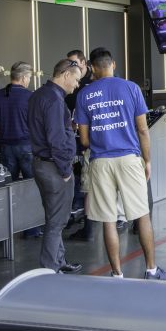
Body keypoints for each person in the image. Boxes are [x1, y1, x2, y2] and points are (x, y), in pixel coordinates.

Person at [75, 47, 166, 280]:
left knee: (109, 220)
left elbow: (85, 140)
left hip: (100, 162)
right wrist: (147, 161)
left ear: (92, 68)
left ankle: (117, 273)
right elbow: (142, 129)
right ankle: (151, 270)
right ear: (113, 64)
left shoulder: (84, 95)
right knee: (142, 215)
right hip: (129, 160)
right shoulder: (131, 88)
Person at [28, 59, 83, 274]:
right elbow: (56, 138)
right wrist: (65, 169)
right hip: (54, 167)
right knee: (56, 221)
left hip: (42, 164)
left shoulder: (39, 95)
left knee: (55, 217)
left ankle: (59, 261)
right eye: (76, 79)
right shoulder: (53, 99)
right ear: (65, 74)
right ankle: (51, 269)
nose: (77, 85)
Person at [0, 61, 42, 238]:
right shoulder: (30, 96)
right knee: (31, 188)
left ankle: (7, 230)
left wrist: (2, 135)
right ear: (25, 77)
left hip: (6, 147)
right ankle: (31, 229)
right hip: (27, 146)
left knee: (7, 189)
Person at [65, 50, 96, 240]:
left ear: (84, 63)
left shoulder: (89, 87)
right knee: (79, 181)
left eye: (74, 62)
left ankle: (89, 228)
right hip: (73, 139)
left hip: (89, 143)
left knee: (88, 187)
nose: (71, 66)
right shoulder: (69, 88)